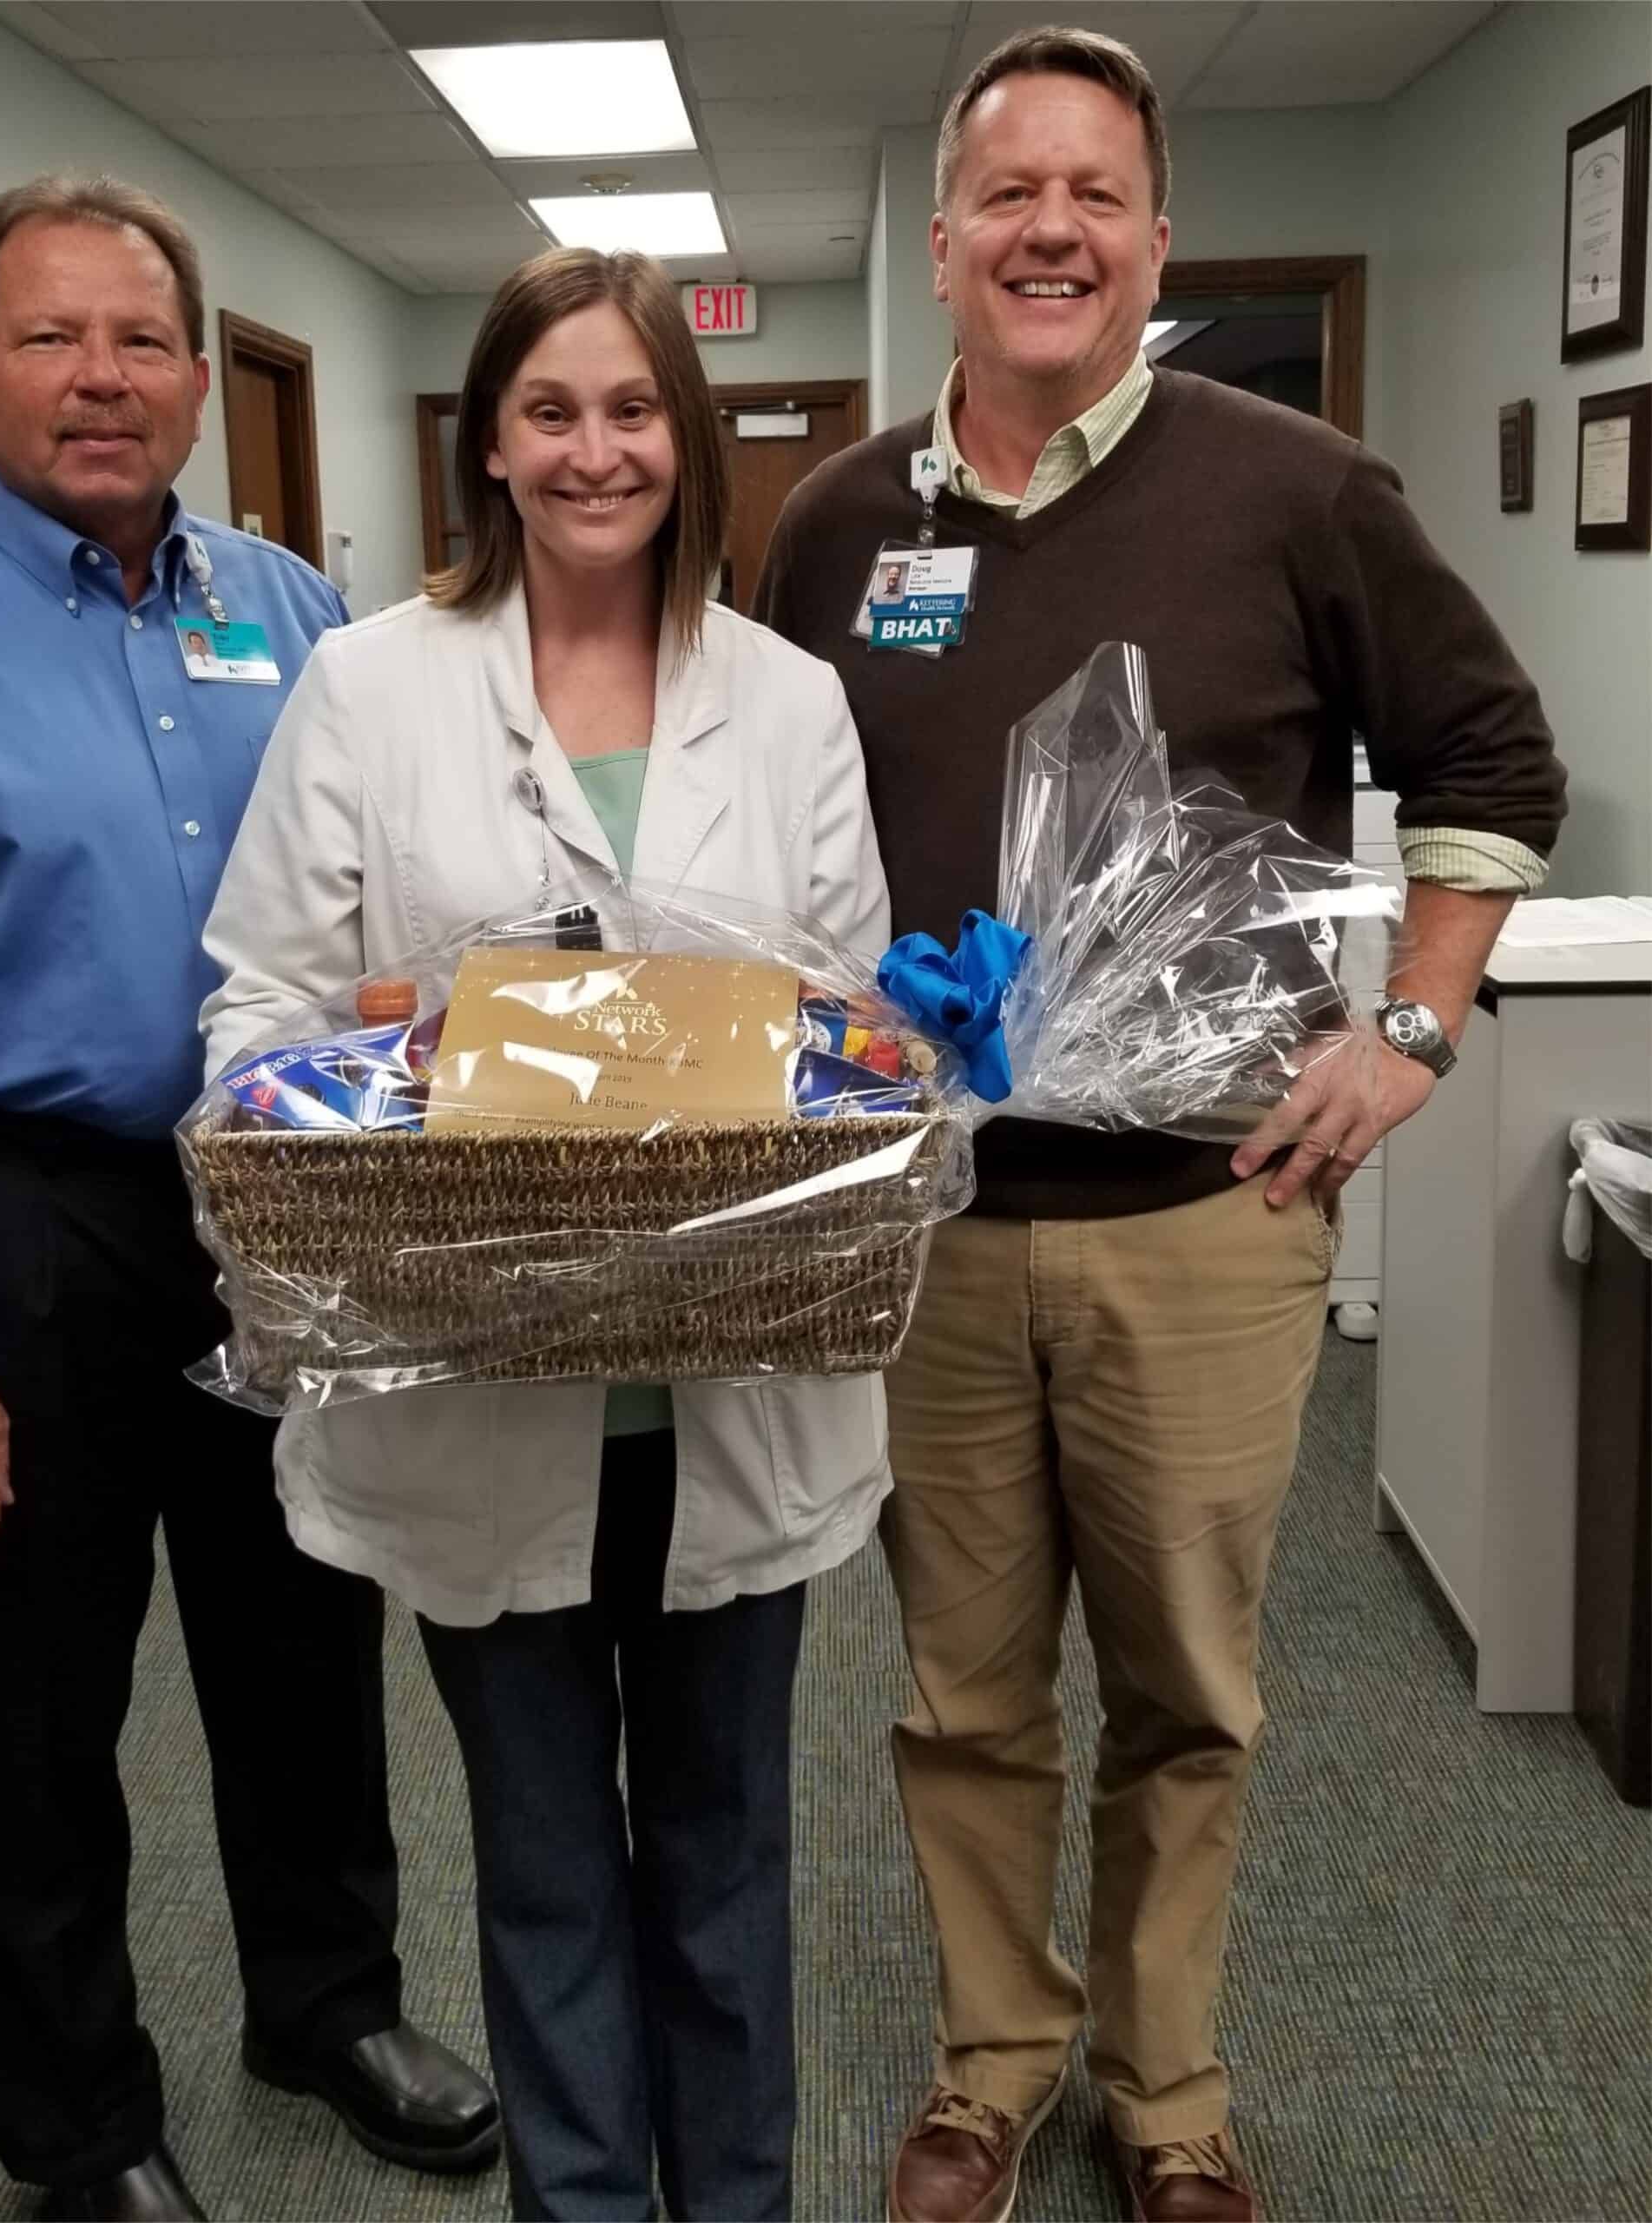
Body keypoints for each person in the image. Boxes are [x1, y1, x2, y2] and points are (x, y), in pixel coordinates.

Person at [753, 29, 1566, 2223]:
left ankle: (1169, 2089)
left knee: (1192, 1684)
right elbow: (760, 833)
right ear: (939, 245)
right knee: (958, 1681)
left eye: (1095, 195)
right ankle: (990, 2059)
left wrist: (1409, 1026)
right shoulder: (836, 524)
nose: (1052, 231)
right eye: (1009, 193)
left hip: (1210, 1212)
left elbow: (1498, 765)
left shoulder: (1295, 488)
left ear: (1154, 241)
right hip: (923, 1221)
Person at [0, 175, 497, 2223]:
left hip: (269, 1202)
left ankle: (326, 2001)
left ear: (192, 378)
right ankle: (76, 2125)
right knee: (23, 1711)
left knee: (304, 1635)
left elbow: (378, 904)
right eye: (53, 338)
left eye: (142, 340)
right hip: (19, 1216)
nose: (103, 379)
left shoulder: (294, 613)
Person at [201, 246, 892, 2222]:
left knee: (727, 1860)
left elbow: (847, 1038)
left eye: (633, 408)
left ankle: (736, 2200)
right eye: (550, 410)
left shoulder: (787, 700)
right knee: (548, 1870)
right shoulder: (368, 686)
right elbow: (252, 1019)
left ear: (685, 434)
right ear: (487, 443)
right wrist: (409, 1042)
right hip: (475, 1392)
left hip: (727, 1390)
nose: (596, 450)